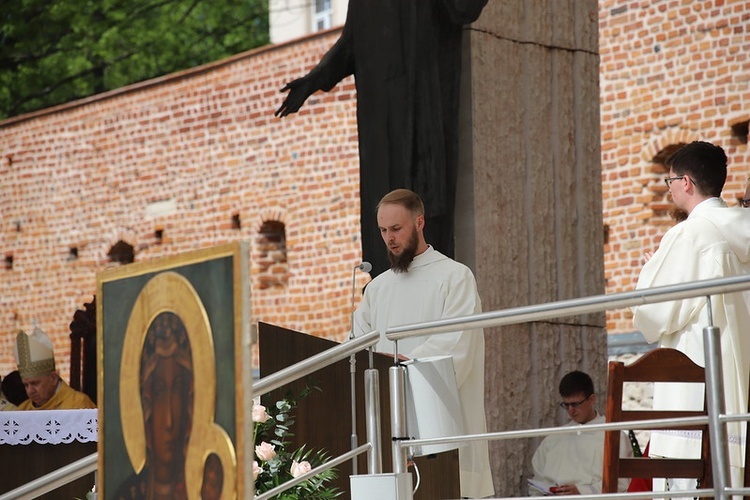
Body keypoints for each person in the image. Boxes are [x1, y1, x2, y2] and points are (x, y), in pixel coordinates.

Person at [275, 1, 488, 278]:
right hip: (378, 125)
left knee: (425, 207)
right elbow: (351, 42)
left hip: (421, 115)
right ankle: (383, 288)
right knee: (383, 218)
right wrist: (312, 80)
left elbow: (464, 8)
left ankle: (427, 287)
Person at [353, 188, 493, 498]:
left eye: (397, 229)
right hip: (388, 427)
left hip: (443, 426)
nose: (389, 238)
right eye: (383, 230)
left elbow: (456, 347)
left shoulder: (455, 277)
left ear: (419, 223)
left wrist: (401, 363)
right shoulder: (376, 289)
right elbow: (357, 347)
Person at [633, 141, 750, 495]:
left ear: (686, 182)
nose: (668, 190)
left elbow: (652, 315)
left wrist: (650, 273)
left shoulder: (691, 233)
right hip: (739, 372)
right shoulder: (742, 225)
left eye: (669, 182)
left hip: (698, 375)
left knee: (690, 481)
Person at [117, 312, 194, 500]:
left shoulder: (205, 488)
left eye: (177, 389)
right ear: (145, 403)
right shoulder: (128, 495)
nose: (169, 421)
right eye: (158, 392)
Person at [529, 371, 631, 495]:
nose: (571, 410)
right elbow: (537, 482)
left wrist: (582, 491)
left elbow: (622, 482)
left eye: (575, 404)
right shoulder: (553, 438)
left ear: (591, 399)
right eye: (566, 405)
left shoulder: (612, 435)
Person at [13, 327, 96, 410]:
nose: (30, 391)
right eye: (26, 385)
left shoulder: (78, 404)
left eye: (35, 383)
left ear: (53, 378)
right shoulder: (23, 410)